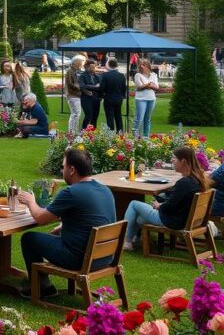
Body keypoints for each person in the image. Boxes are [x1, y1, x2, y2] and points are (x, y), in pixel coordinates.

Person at [16, 148, 116, 298]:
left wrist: (31, 201)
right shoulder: (104, 189)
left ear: (72, 170)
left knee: (29, 239)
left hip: (80, 259)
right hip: (105, 257)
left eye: (63, 167)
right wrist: (65, 225)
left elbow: (41, 218)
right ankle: (42, 283)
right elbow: (95, 218)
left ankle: (43, 287)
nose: (62, 170)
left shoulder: (71, 192)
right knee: (45, 238)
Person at [123, 146, 207, 250]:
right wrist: (161, 203)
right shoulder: (196, 179)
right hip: (182, 219)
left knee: (134, 204)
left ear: (183, 161)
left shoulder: (184, 183)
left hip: (172, 221)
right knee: (140, 218)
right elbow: (176, 201)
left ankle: (127, 241)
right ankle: (136, 238)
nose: (172, 160)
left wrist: (158, 206)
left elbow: (170, 206)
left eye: (174, 158)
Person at [99, 59, 127, 133]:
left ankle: (110, 133)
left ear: (108, 65)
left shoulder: (105, 75)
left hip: (108, 98)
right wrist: (122, 96)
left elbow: (101, 87)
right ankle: (120, 132)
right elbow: (124, 88)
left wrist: (102, 96)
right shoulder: (121, 76)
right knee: (118, 116)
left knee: (109, 117)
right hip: (118, 99)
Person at [133, 59, 159, 139]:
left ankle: (146, 136)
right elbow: (139, 87)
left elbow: (157, 87)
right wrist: (149, 85)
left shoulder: (153, 75)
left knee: (147, 119)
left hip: (151, 98)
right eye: (140, 65)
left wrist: (147, 85)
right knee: (139, 118)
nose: (141, 66)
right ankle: (135, 135)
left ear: (148, 66)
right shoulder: (138, 75)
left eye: (143, 65)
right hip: (141, 99)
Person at [79, 60, 102, 130]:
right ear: (87, 67)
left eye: (94, 67)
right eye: (91, 67)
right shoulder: (82, 76)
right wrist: (95, 87)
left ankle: (93, 131)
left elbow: (100, 87)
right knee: (88, 115)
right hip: (86, 99)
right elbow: (82, 86)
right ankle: (83, 130)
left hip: (96, 99)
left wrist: (91, 87)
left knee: (95, 116)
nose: (93, 69)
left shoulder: (97, 77)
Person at [65, 56, 84, 134]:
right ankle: (73, 131)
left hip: (74, 95)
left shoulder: (73, 71)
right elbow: (70, 84)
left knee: (76, 114)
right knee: (76, 114)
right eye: (79, 64)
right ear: (75, 64)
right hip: (72, 95)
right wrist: (79, 87)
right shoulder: (70, 71)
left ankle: (73, 130)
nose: (80, 66)